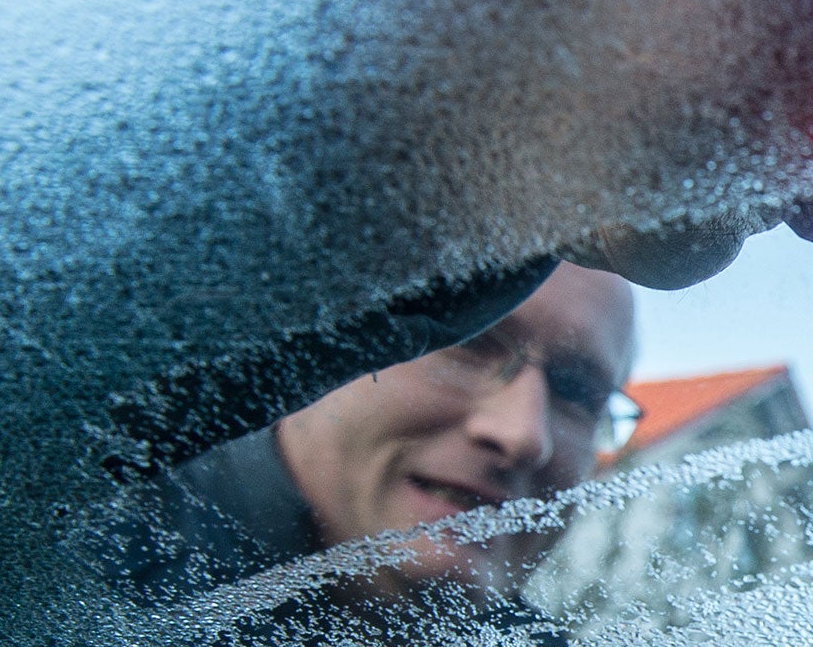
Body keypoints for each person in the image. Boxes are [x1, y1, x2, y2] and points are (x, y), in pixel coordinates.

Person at [112, 261, 638, 610]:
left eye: (576, 392)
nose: (522, 434)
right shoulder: (87, 564)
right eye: (469, 342)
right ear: (320, 341)